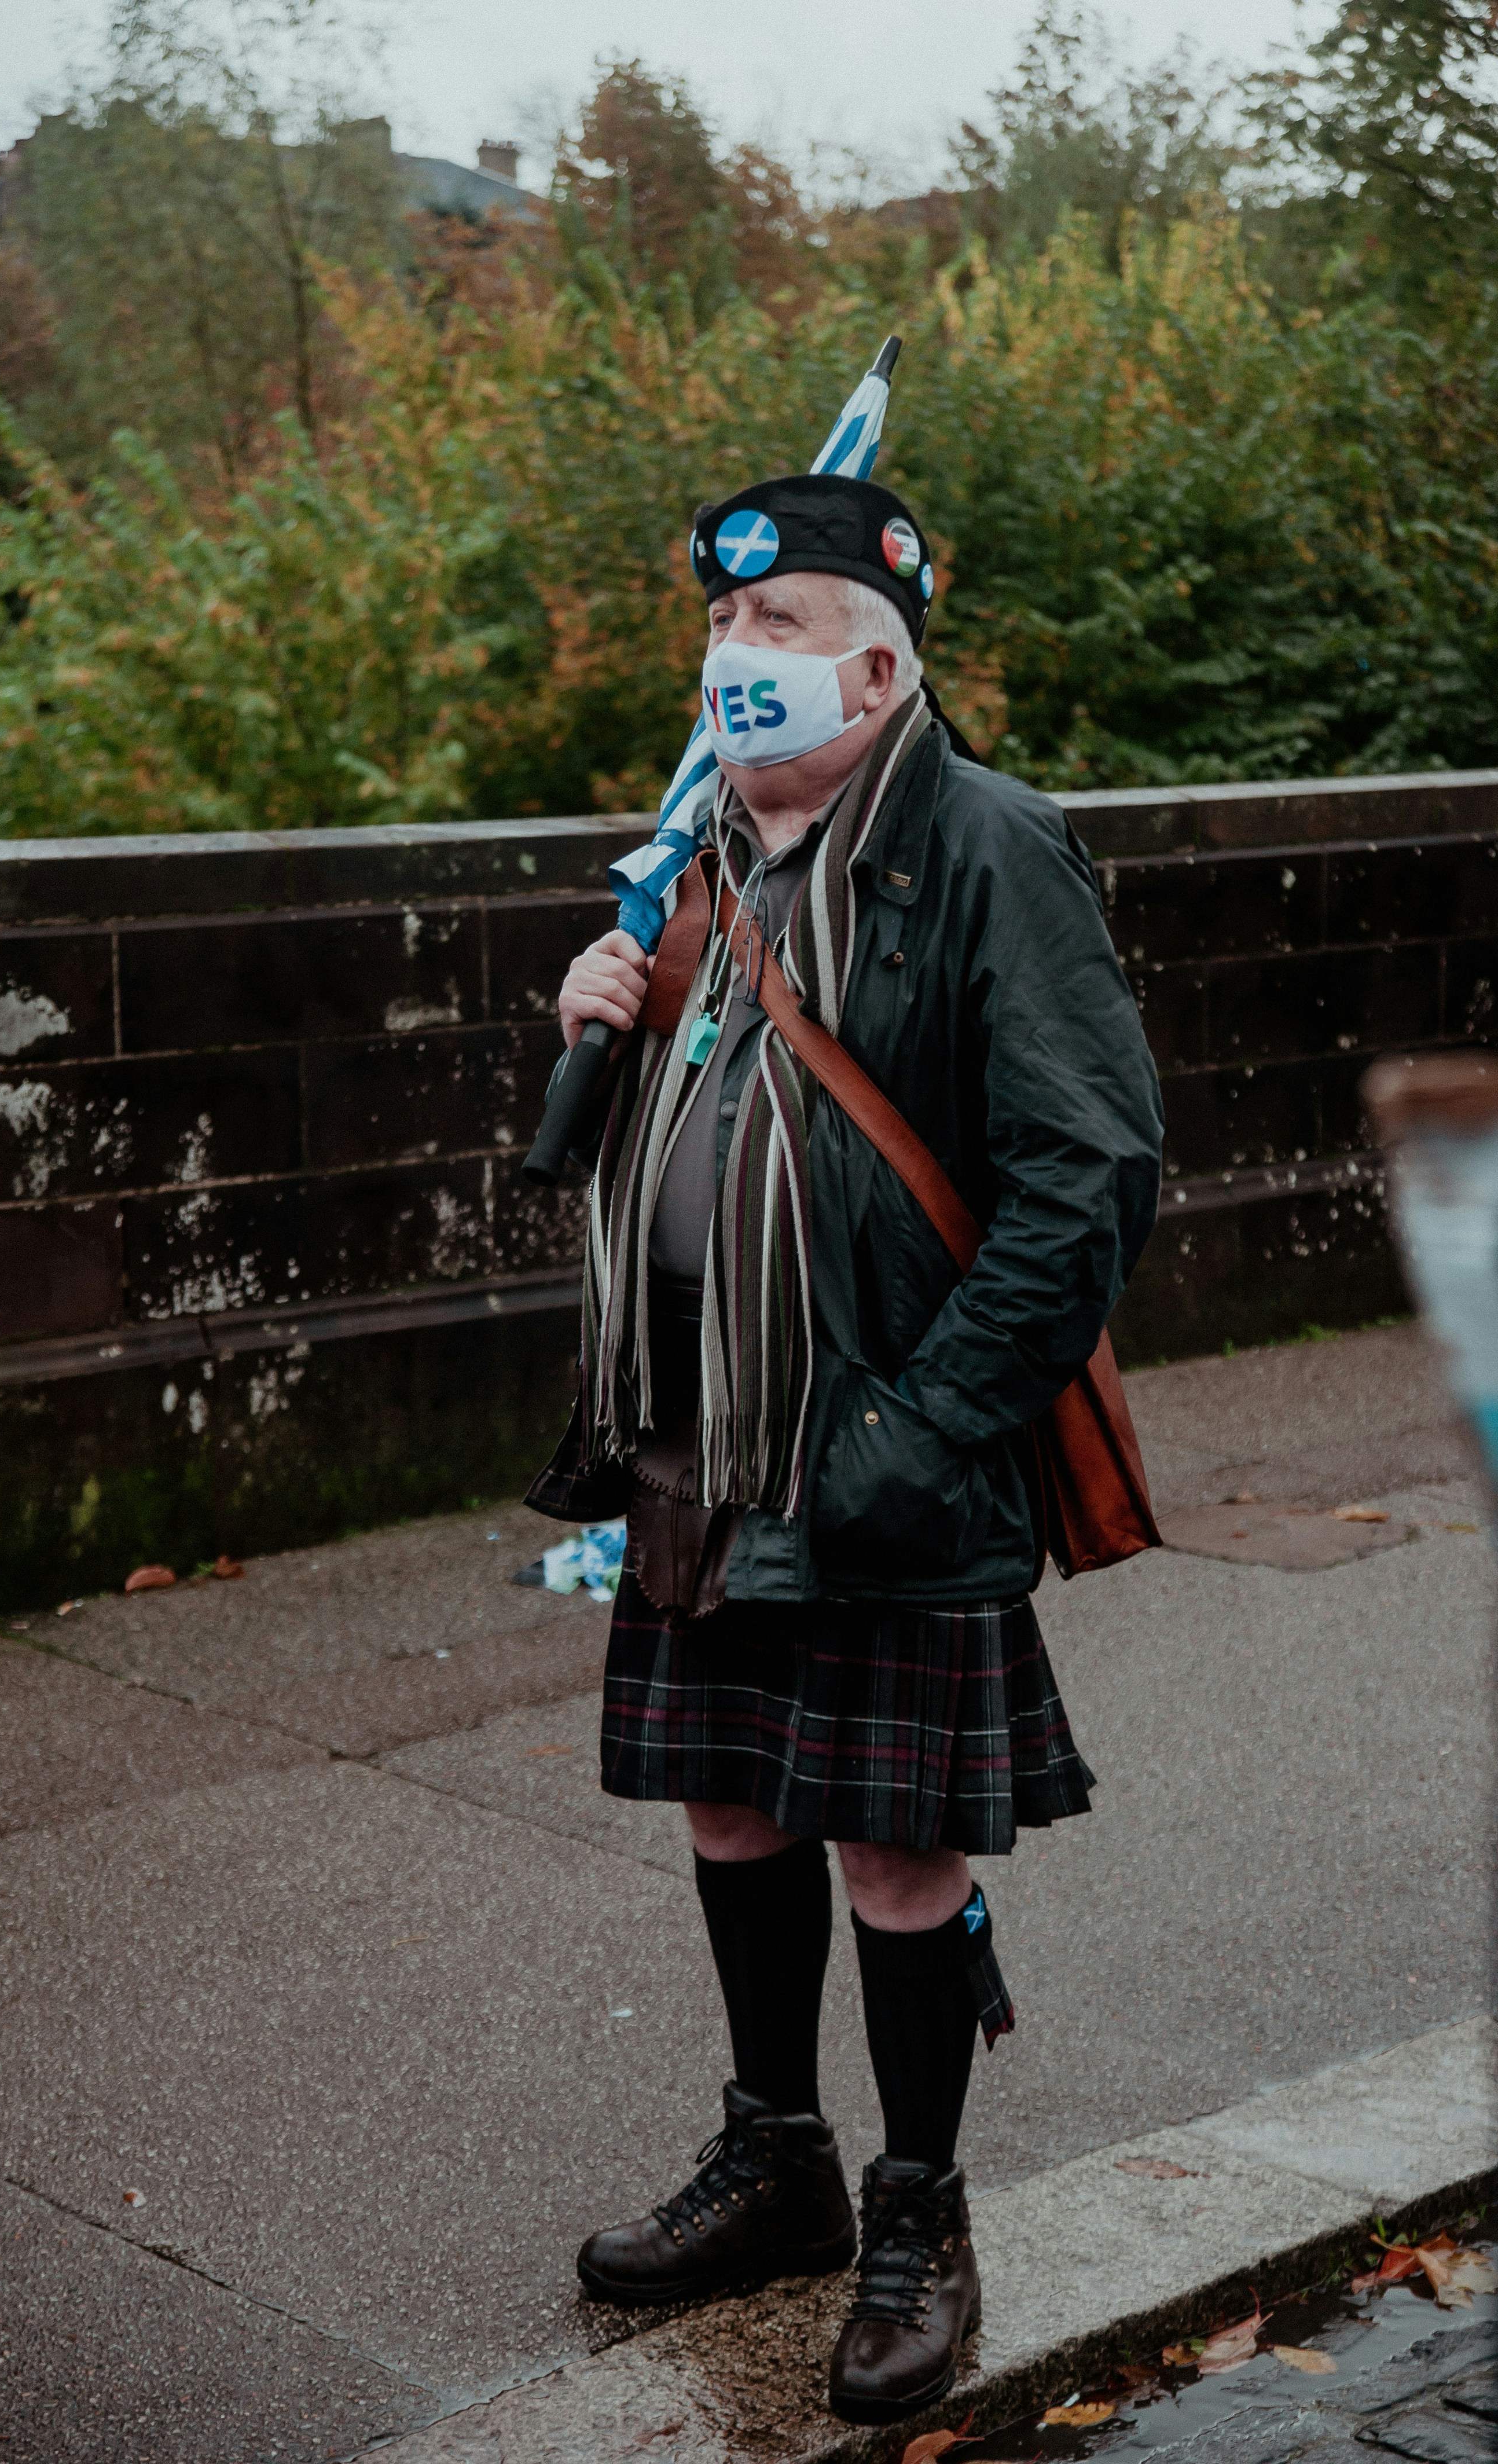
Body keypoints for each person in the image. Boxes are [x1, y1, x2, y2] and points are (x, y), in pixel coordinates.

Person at [530, 472, 1163, 2426]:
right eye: (728, 632)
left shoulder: (987, 846)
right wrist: (598, 1016)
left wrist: (928, 1420)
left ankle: (915, 2213)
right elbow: (699, 1126)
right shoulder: (697, 853)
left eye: (785, 632)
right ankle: (776, 2158)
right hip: (703, 1433)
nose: (743, 661)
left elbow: (1091, 1172)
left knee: (897, 1845)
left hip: (887, 1429)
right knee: (732, 1800)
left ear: (882, 671)